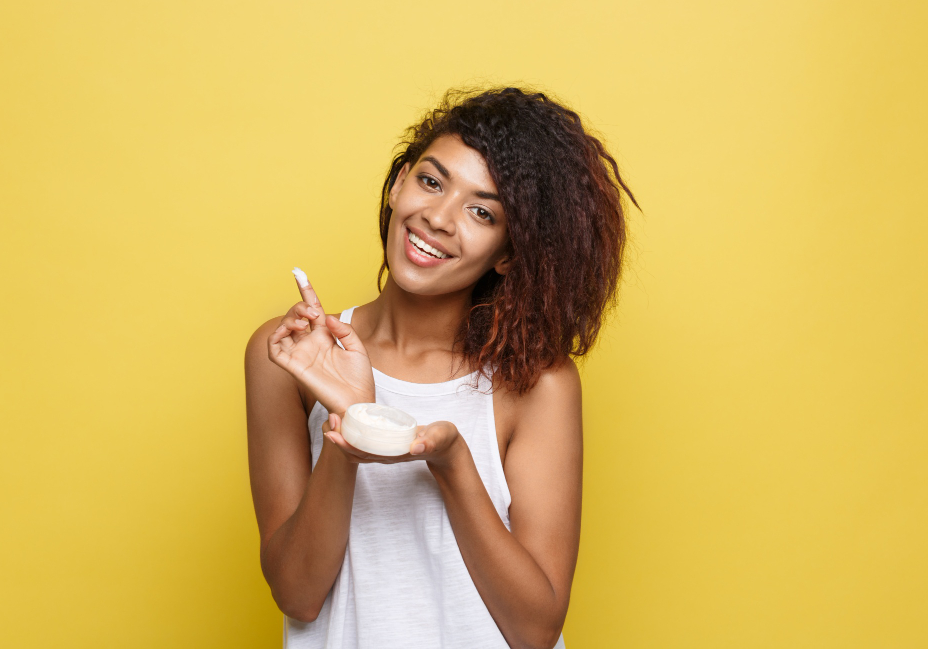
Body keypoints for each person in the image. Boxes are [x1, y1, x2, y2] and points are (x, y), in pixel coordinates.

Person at [244, 86, 639, 649]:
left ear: (508, 253)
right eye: (431, 181)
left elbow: (536, 629)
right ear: (400, 182)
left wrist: (454, 465)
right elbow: (298, 594)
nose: (437, 217)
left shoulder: (535, 384)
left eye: (481, 211)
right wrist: (352, 423)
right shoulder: (289, 357)